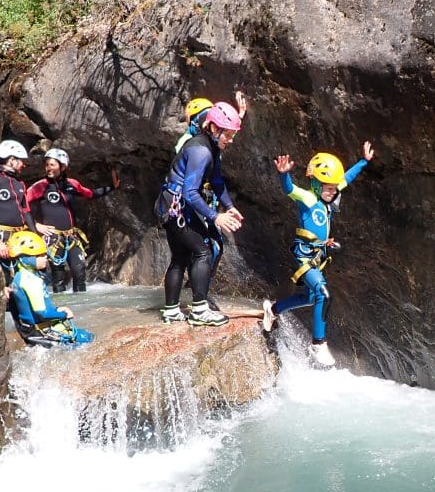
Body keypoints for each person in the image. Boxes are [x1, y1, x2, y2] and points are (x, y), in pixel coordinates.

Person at [262, 141, 375, 367]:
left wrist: (363, 161)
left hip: (317, 255)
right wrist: (284, 175)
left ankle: (272, 310)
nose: (334, 192)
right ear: (316, 184)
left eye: (334, 188)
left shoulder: (328, 197)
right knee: (324, 294)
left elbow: (346, 179)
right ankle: (318, 342)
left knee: (310, 297)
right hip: (303, 255)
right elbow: (289, 190)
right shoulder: (309, 198)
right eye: (329, 188)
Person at [155, 101, 244, 326]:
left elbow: (216, 181)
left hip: (171, 204)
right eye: (229, 135)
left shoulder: (210, 147)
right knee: (203, 252)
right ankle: (199, 311)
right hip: (177, 206)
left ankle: (171, 310)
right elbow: (191, 192)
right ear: (214, 128)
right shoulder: (201, 150)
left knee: (180, 257)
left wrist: (230, 206)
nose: (231, 140)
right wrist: (217, 216)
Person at [173, 92, 249, 310]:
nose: (207, 119)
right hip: (191, 201)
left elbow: (225, 132)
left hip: (206, 199)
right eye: (204, 117)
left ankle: (199, 293)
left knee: (215, 247)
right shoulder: (190, 143)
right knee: (205, 249)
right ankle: (197, 298)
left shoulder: (212, 140)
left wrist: (239, 115)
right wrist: (215, 215)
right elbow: (188, 182)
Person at [26, 147, 120, 293]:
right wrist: (36, 225)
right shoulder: (40, 186)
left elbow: (90, 194)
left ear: (62, 167)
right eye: (47, 165)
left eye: (52, 165)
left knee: (79, 272)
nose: (48, 168)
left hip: (71, 237)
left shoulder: (72, 184)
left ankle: (82, 309)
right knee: (58, 276)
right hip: (53, 239)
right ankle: (60, 311)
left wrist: (112, 188)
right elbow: (21, 205)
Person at [5, 231, 93, 347]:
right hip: (40, 332)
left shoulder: (19, 277)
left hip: (28, 330)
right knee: (87, 338)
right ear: (25, 259)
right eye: (39, 255)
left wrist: (57, 309)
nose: (45, 257)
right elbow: (43, 313)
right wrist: (63, 314)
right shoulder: (32, 281)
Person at [0, 140, 39, 273]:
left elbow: (26, 212)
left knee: (27, 274)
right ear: (11, 160)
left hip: (19, 237)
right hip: (1, 235)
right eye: (21, 161)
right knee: (6, 276)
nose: (24, 164)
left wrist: (36, 237)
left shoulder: (20, 183)